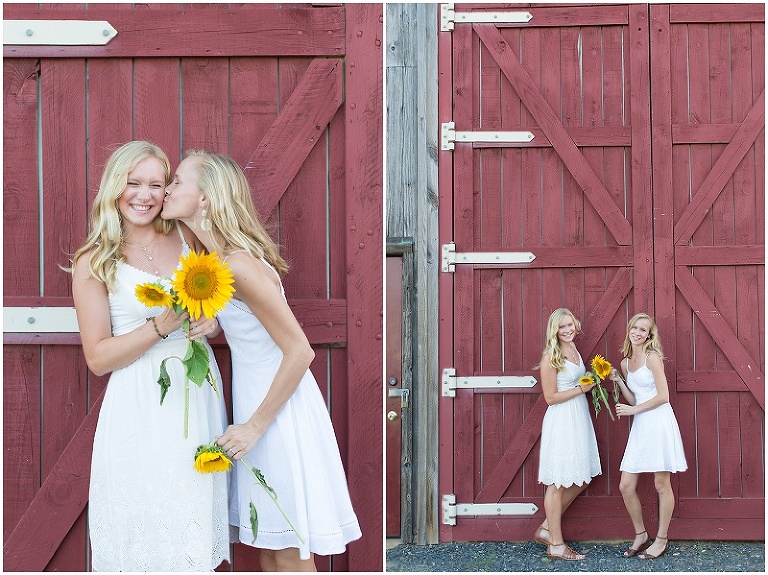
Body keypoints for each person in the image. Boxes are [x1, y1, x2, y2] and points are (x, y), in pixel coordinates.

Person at [161, 150, 362, 572]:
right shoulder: (215, 260)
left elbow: (299, 351)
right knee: (270, 549)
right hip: (260, 405)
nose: (168, 188)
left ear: (205, 199)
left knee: (288, 551)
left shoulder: (239, 264)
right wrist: (216, 325)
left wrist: (255, 425)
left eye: (178, 181)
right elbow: (251, 325)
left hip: (278, 414)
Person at [70, 141, 229, 571]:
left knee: (188, 520)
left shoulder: (186, 238)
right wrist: (160, 326)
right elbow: (98, 357)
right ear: (114, 188)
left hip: (193, 395)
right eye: (133, 183)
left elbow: (214, 300)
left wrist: (209, 324)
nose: (144, 195)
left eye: (156, 184)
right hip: (137, 402)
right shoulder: (93, 260)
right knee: (141, 518)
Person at [610, 313, 687, 559]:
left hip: (659, 421)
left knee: (661, 484)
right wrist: (619, 381)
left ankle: (662, 538)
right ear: (629, 329)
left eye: (644, 330)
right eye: (635, 327)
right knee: (626, 485)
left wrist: (632, 410)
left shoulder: (652, 357)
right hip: (642, 423)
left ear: (649, 335)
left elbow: (663, 396)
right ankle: (641, 534)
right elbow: (635, 397)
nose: (638, 332)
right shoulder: (625, 363)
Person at [534, 308, 601, 561]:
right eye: (562, 327)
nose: (567, 329)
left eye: (569, 324)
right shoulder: (551, 355)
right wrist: (581, 388)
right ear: (555, 330)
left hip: (578, 417)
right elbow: (550, 398)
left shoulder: (574, 349)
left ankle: (546, 529)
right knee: (558, 481)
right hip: (562, 419)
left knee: (582, 477)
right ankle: (557, 545)